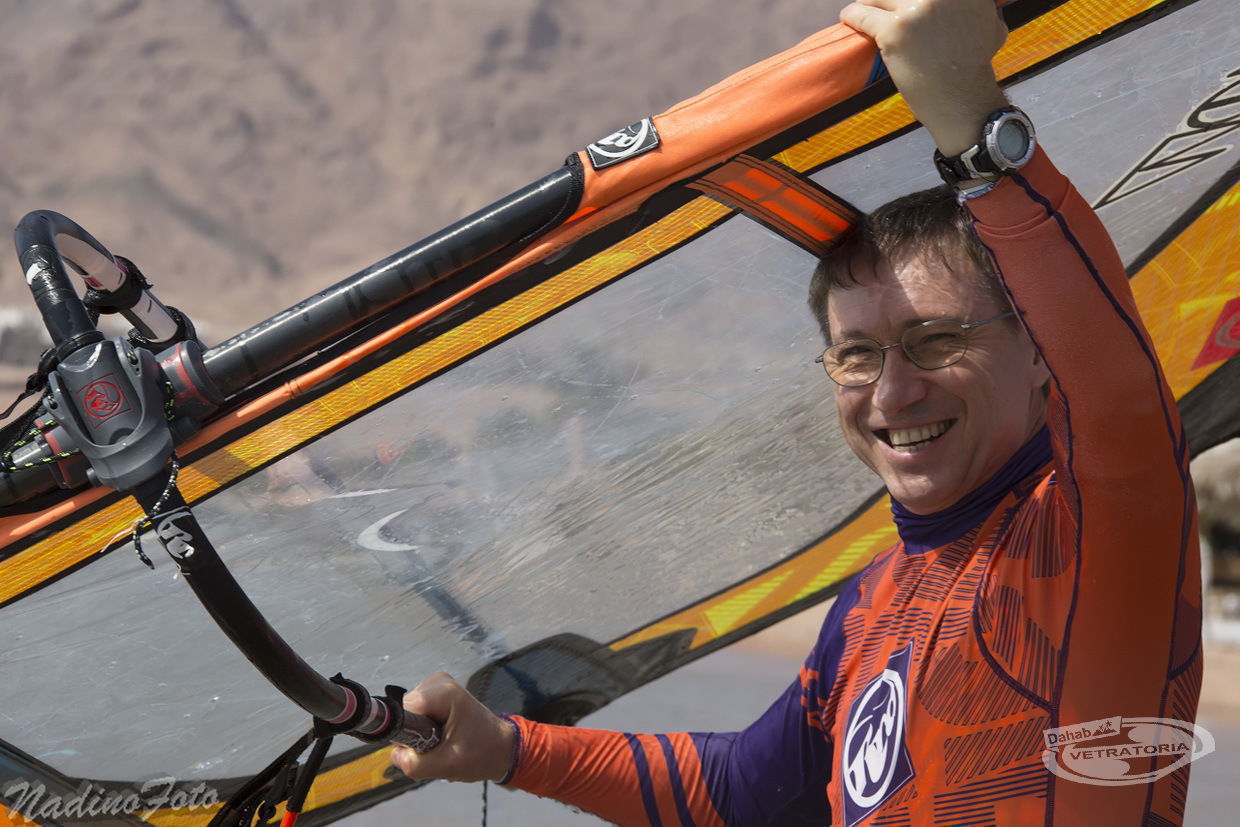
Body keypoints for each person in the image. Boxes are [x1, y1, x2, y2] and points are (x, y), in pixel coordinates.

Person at [391, 0, 1203, 823]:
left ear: (1038, 350)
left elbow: (1113, 379)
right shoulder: (871, 604)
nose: (892, 392)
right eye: (857, 354)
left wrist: (969, 113)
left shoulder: (1098, 529)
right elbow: (738, 791)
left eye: (936, 340)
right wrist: (511, 749)